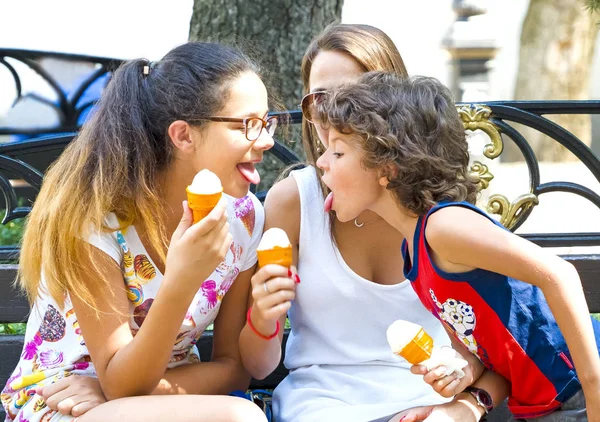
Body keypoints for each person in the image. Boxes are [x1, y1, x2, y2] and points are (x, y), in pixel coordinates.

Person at [240, 24, 508, 422]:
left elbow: (484, 343)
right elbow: (258, 367)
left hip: (427, 406)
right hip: (322, 407)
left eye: (355, 97)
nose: (334, 117)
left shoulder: (437, 208)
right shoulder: (294, 202)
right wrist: (262, 316)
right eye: (320, 101)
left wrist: (461, 402)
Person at [1, 41, 277, 422]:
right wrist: (182, 279)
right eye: (248, 125)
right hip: (64, 398)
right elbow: (120, 382)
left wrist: (127, 390)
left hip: (156, 397)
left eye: (266, 122)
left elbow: (234, 367)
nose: (266, 140)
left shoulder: (244, 218)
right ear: (183, 136)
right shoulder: (94, 219)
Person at [313, 70, 600, 421]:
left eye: (338, 152)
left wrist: (594, 386)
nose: (321, 162)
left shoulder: (443, 227)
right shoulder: (414, 252)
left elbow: (560, 274)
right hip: (542, 404)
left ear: (387, 168)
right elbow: (486, 350)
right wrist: (457, 373)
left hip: (579, 390)